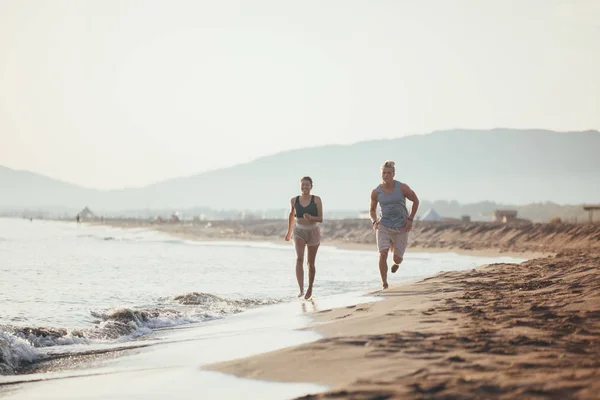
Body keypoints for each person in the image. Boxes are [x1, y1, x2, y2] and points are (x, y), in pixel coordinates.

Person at [370, 160, 419, 289]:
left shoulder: (402, 187)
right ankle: (384, 283)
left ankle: (396, 261)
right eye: (384, 173)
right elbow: (372, 210)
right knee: (382, 254)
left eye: (389, 173)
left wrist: (410, 219)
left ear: (393, 174)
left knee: (397, 259)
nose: (386, 175)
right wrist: (374, 221)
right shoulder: (376, 192)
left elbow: (415, 201)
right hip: (384, 225)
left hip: (401, 226)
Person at [284, 176, 323, 300]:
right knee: (299, 259)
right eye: (302, 185)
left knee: (310, 263)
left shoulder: (316, 200)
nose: (304, 187)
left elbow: (320, 218)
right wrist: (289, 232)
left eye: (307, 185)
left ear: (311, 186)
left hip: (313, 232)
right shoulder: (294, 200)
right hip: (299, 231)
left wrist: (311, 217)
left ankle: (310, 288)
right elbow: (291, 215)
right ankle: (301, 290)